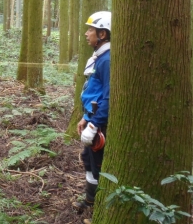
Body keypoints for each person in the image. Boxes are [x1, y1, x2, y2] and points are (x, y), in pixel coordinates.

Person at [73, 11, 111, 224]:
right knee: (89, 160)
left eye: (91, 30)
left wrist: (95, 124)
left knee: (98, 164)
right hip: (92, 117)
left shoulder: (107, 60)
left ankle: (100, 210)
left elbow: (108, 95)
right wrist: (85, 117)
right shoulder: (100, 57)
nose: (87, 34)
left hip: (100, 123)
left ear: (103, 34)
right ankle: (89, 200)